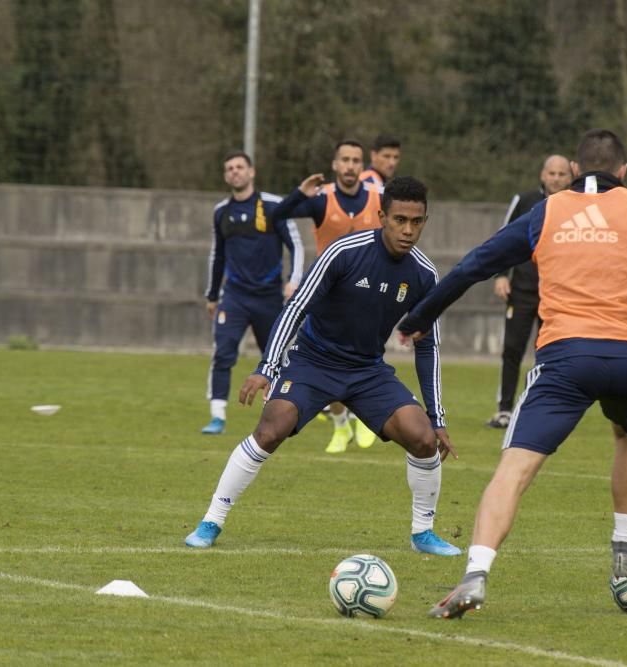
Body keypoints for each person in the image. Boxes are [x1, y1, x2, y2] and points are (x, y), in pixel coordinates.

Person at [397, 129, 627, 618]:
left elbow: (475, 265)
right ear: (624, 172)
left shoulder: (545, 213)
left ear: (573, 171)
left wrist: (420, 316)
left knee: (516, 468)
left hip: (567, 359)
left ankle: (476, 574)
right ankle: (623, 546)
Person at [185, 176, 462, 557]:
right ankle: (212, 520)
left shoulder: (424, 275)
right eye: (400, 219)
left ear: (425, 221)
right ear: (382, 216)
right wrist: (267, 366)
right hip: (313, 361)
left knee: (423, 438)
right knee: (271, 429)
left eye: (417, 221)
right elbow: (296, 308)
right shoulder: (344, 252)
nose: (408, 230)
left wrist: (438, 416)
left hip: (367, 370)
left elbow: (427, 346)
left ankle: (423, 533)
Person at [270, 139, 384, 452]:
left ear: (362, 166)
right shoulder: (322, 200)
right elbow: (277, 216)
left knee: (366, 359)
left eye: (355, 160)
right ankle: (340, 425)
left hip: (368, 294)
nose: (350, 166)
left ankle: (361, 418)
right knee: (327, 361)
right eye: (344, 160)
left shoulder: (378, 198)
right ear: (335, 165)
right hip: (328, 295)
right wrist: (299, 194)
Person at [201, 150, 304, 435]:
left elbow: (296, 245)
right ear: (226, 176)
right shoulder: (221, 211)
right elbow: (217, 255)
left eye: (239, 167)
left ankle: (284, 413)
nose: (234, 171)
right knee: (222, 352)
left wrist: (293, 280)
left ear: (251, 172)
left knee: (277, 357)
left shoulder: (274, 206)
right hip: (234, 297)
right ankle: (217, 416)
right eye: (229, 168)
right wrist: (212, 295)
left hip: (269, 297)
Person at [487, 154, 572, 429]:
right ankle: (504, 409)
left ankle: (543, 409)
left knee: (550, 352)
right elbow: (504, 239)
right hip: (522, 290)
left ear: (570, 177)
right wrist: (501, 275)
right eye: (552, 173)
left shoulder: (577, 205)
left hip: (558, 293)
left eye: (562, 174)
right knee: (512, 349)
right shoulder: (524, 202)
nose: (556, 179)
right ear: (542, 175)